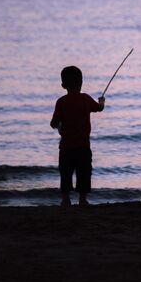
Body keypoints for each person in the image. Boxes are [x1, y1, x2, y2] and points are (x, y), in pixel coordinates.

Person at [50, 66, 105, 206]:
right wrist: (101, 101)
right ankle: (82, 199)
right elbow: (99, 108)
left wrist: (59, 126)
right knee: (84, 173)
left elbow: (53, 123)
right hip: (83, 147)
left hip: (66, 147)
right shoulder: (86, 99)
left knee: (66, 174)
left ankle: (65, 199)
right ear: (81, 82)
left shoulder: (61, 102)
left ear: (63, 85)